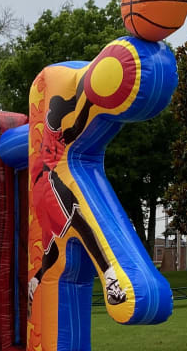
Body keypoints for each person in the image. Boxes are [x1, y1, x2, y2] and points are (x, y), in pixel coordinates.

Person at [28, 91, 127, 313]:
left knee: (52, 250)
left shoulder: (59, 137)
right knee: (81, 223)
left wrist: (88, 103)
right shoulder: (51, 126)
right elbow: (62, 111)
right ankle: (111, 281)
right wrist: (82, 100)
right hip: (47, 183)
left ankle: (34, 282)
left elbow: (76, 126)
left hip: (40, 191)